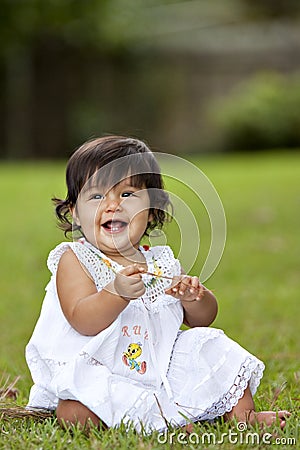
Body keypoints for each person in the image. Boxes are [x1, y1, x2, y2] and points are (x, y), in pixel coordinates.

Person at [26, 136, 290, 432]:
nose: (112, 206)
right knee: (74, 411)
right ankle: (160, 420)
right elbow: (82, 319)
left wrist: (194, 298)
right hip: (98, 369)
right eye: (97, 196)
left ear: (152, 210)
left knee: (210, 344)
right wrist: (116, 292)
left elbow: (201, 320)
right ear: (75, 212)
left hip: (158, 369)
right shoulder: (76, 259)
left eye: (127, 194)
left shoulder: (160, 262)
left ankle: (242, 416)